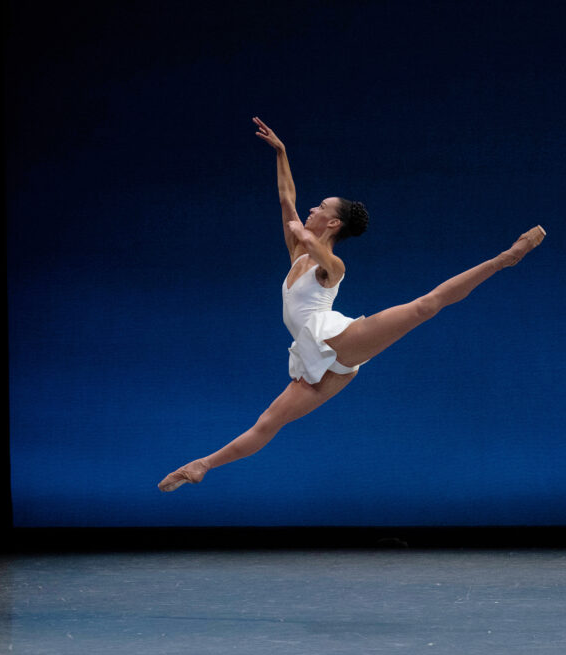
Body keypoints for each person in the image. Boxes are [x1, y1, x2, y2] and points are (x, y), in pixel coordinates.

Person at [158, 117, 545, 492]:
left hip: (339, 338)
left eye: (320, 208)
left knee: (425, 306)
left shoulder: (333, 267)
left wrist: (300, 233)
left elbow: (314, 246)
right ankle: (202, 465)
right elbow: (286, 198)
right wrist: (281, 151)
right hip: (319, 360)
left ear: (333, 224)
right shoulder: (298, 252)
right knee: (268, 422)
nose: (310, 209)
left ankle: (505, 258)